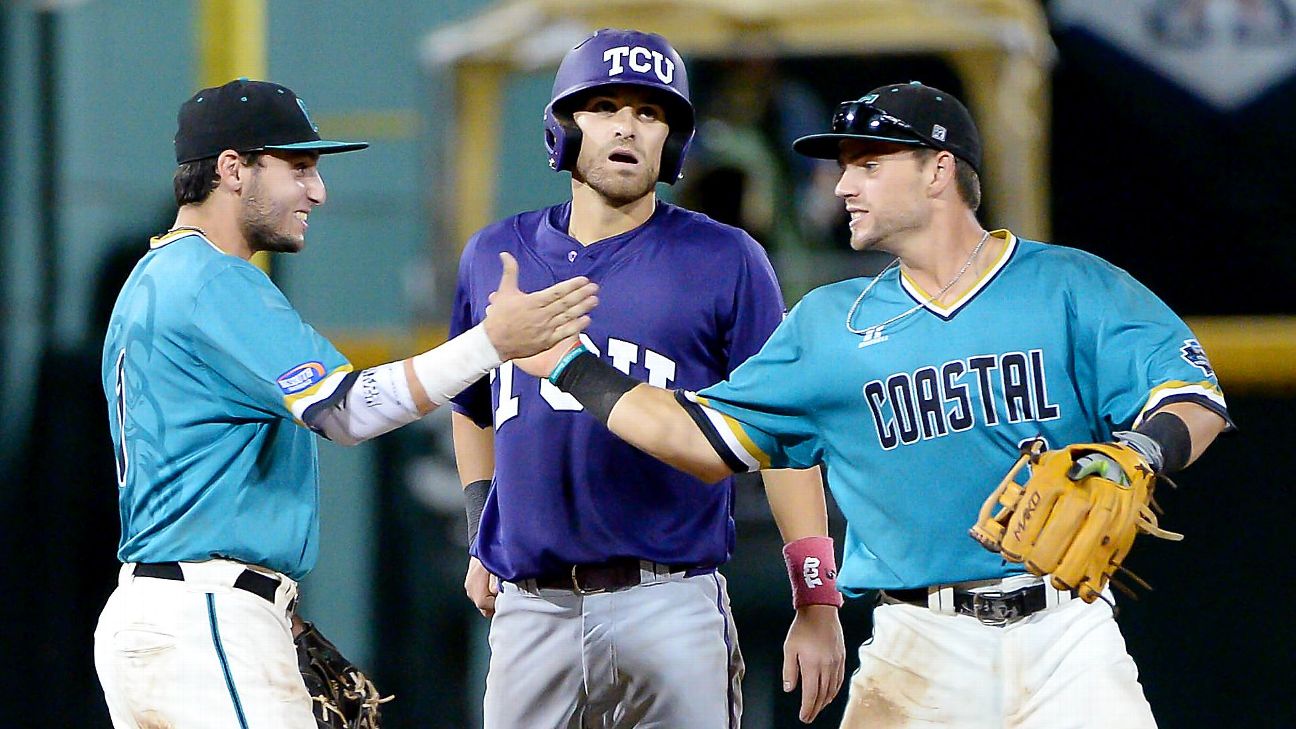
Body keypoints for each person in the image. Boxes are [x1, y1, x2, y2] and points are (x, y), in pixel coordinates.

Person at [517, 81, 1232, 728]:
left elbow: (1193, 396)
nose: (841, 186)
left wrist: (1142, 449)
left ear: (938, 169)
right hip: (921, 646)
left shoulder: (1071, 285)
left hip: (1067, 634)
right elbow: (697, 438)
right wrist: (571, 367)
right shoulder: (829, 324)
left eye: (867, 164)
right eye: (844, 166)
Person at [93, 78, 598, 729]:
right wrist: (490, 343)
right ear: (231, 168)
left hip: (167, 612)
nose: (317, 190)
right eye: (298, 167)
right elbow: (348, 411)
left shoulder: (150, 280)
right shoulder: (214, 279)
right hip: (206, 617)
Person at [450, 29, 845, 728]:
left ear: (673, 141)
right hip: (531, 605)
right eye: (604, 106)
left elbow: (782, 435)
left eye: (651, 112)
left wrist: (815, 596)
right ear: (564, 128)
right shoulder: (494, 253)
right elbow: (473, 403)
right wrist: (484, 526)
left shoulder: (726, 259)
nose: (627, 126)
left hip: (670, 597)